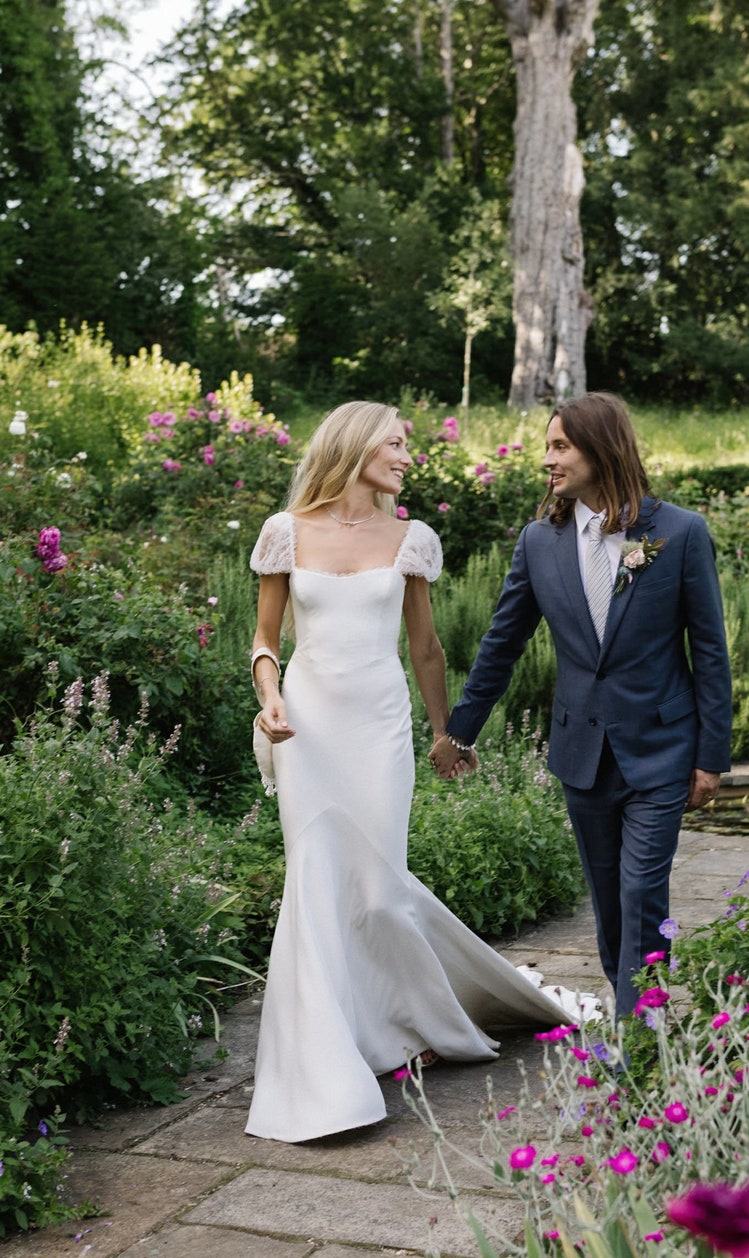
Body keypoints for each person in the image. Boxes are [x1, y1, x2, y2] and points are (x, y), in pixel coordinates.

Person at [244, 401, 573, 1144]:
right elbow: (264, 641)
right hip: (307, 727)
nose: (405, 455)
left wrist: (444, 732)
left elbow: (425, 648)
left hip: (379, 726)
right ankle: (327, 1064)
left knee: (381, 889)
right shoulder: (285, 532)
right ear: (356, 445)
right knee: (318, 880)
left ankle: (404, 1021)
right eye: (396, 443)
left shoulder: (412, 538)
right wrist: (269, 700)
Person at [431, 393, 732, 1021]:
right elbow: (502, 643)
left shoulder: (678, 533)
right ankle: (633, 1003)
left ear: (602, 447)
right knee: (607, 898)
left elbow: (710, 652)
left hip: (661, 748)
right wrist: (459, 731)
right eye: (548, 447)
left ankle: (637, 1031)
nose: (548, 460)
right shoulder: (540, 542)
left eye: (560, 446)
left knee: (641, 889)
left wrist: (711, 756)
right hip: (582, 753)